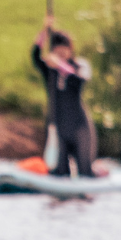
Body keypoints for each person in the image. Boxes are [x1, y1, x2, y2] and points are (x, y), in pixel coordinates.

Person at [32, 15, 97, 178]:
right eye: (57, 49)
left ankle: (97, 173)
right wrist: (44, 32)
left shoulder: (80, 65)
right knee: (59, 172)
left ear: (70, 49)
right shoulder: (49, 71)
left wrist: (60, 66)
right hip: (58, 127)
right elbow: (35, 55)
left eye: (64, 49)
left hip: (79, 127)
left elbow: (79, 80)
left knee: (85, 171)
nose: (60, 52)